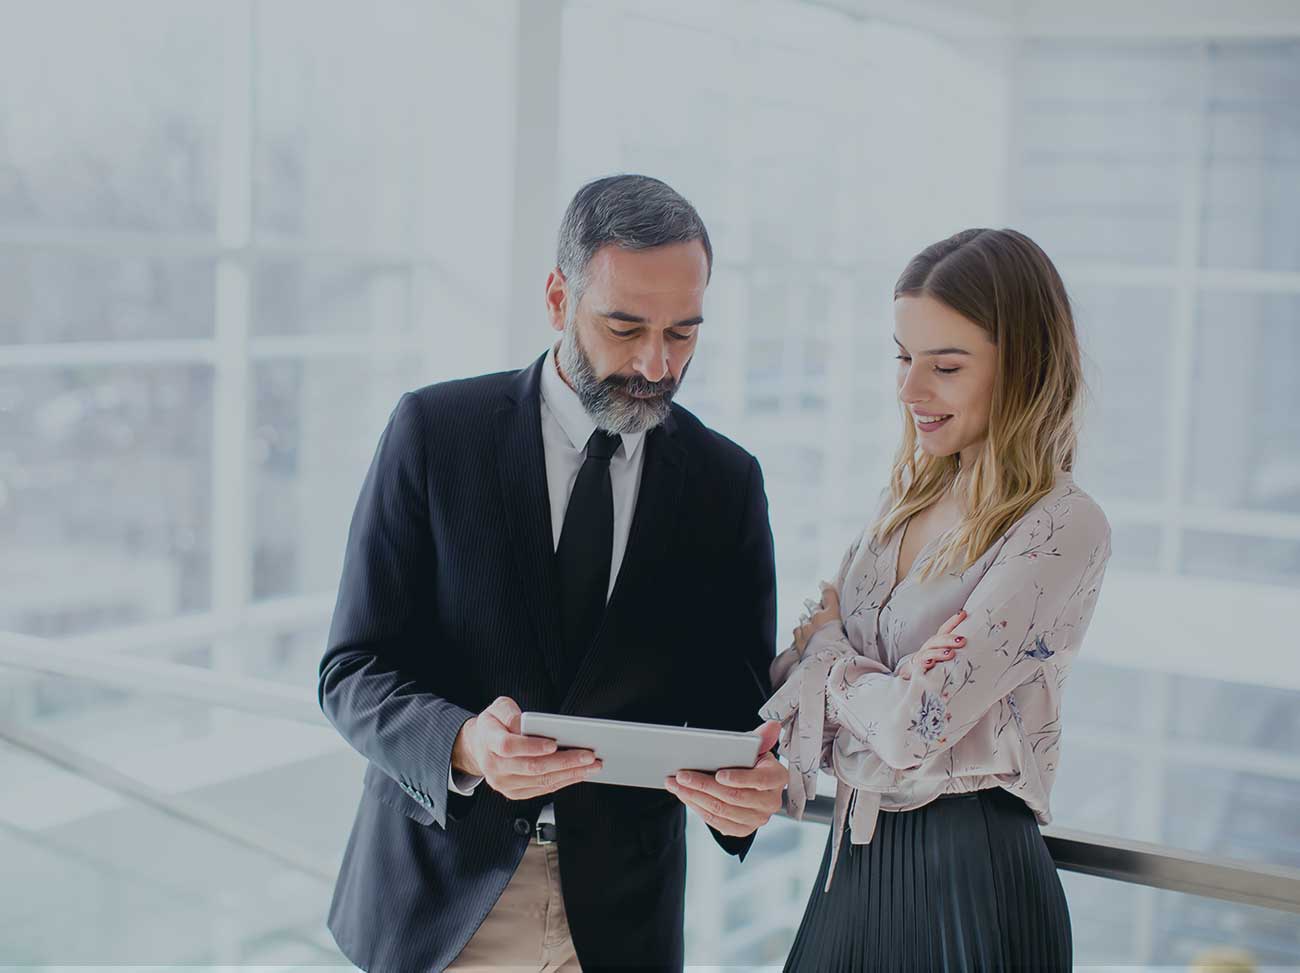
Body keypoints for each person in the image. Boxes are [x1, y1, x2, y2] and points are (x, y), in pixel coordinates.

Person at [318, 174, 786, 973]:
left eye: (684, 333)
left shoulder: (725, 482)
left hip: (619, 927)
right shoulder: (435, 433)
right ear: (556, 297)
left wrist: (751, 787)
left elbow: (734, 711)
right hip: (442, 906)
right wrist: (463, 742)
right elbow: (351, 670)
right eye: (624, 325)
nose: (655, 362)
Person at [762, 228, 1112, 971]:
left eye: (945, 366)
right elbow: (791, 694)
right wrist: (859, 684)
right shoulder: (902, 501)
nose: (908, 390)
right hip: (847, 869)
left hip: (973, 877)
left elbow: (910, 726)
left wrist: (831, 653)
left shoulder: (1061, 525)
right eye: (903, 357)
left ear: (1022, 369)